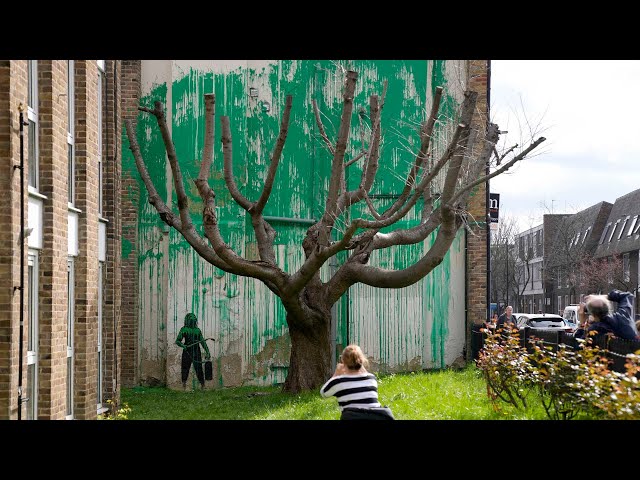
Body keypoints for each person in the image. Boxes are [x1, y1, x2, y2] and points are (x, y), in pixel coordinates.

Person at [320, 344, 394, 420]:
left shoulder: (339, 381)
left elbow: (323, 393)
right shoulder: (371, 378)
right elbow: (364, 374)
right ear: (362, 361)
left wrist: (336, 373)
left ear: (343, 362)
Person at [573, 290, 639, 340]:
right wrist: (605, 297)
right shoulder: (623, 316)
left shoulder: (596, 329)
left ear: (592, 314)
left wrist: (582, 321)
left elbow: (578, 346)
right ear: (608, 307)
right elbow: (627, 296)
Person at [175, 312, 211, 389]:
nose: (192, 320)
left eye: (194, 318)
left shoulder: (197, 330)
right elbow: (178, 341)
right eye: (190, 318)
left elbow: (202, 342)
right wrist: (183, 345)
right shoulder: (184, 329)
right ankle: (184, 385)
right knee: (185, 368)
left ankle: (202, 385)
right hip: (187, 351)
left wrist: (207, 351)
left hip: (196, 351)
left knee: (199, 368)